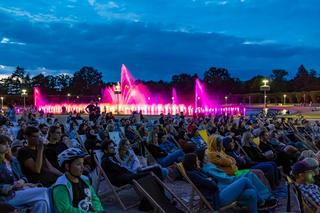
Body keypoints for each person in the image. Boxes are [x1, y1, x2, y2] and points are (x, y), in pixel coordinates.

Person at [182, 153, 258, 212]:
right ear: (192, 163)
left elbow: (214, 180)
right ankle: (261, 200)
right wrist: (210, 180)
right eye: (196, 160)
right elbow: (213, 185)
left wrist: (210, 180)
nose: (198, 161)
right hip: (217, 199)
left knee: (251, 193)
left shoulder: (198, 171)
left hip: (219, 192)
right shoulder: (193, 174)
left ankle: (257, 205)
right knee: (244, 180)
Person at [0, 135, 50, 213]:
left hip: (21, 190)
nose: (7, 146)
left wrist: (22, 181)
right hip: (8, 196)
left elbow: (23, 176)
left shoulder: (13, 161)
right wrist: (11, 187)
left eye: (8, 144)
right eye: (3, 144)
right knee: (45, 191)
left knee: (42, 203)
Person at [53, 148, 103, 212]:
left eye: (83, 163)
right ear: (67, 166)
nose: (83, 167)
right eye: (78, 164)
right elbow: (65, 210)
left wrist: (99, 210)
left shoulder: (84, 179)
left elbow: (94, 198)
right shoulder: (61, 186)